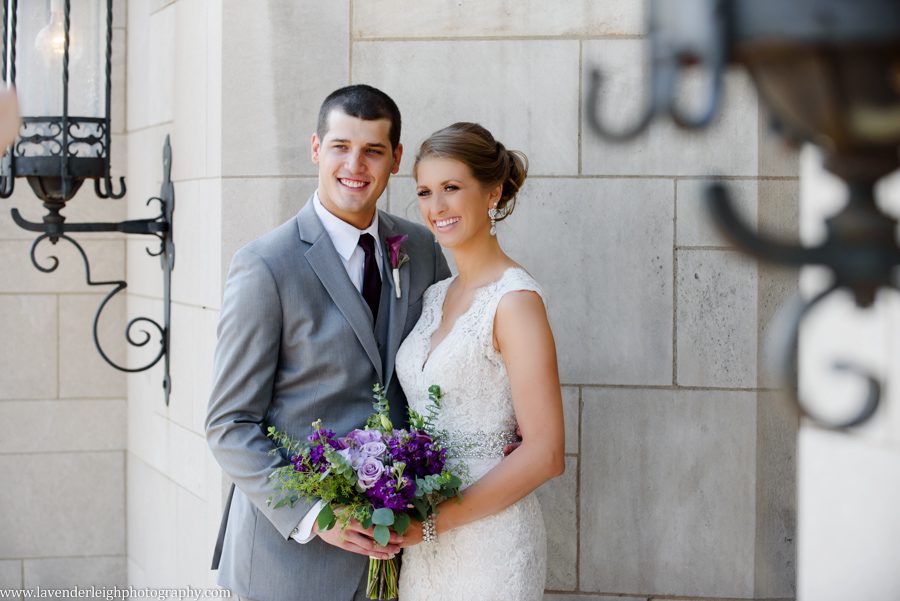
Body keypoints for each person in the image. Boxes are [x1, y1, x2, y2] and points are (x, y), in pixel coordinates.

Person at [205, 84, 451, 601]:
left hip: (398, 558)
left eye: (373, 150)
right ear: (316, 149)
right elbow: (229, 424)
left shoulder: (423, 248)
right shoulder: (264, 266)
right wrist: (316, 516)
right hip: (289, 565)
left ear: (396, 159)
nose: (354, 165)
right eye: (340, 146)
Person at [394, 122, 565, 600]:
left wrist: (430, 524)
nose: (436, 207)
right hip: (425, 545)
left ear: (492, 193)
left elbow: (546, 454)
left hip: (490, 541)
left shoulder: (515, 301)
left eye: (452, 188)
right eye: (425, 192)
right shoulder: (433, 296)